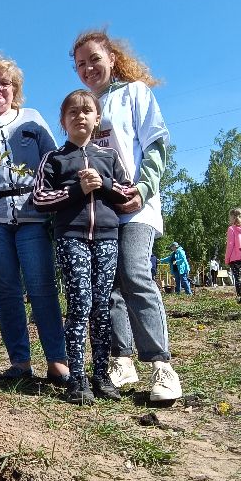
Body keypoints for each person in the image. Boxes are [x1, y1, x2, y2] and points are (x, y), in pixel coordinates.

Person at [71, 30, 182, 403]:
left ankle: (162, 366)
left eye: (94, 59)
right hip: (100, 213)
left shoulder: (133, 93)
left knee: (134, 272)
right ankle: (122, 358)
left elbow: (155, 143)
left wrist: (144, 188)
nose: (88, 68)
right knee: (109, 283)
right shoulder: (85, 107)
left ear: (112, 59)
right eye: (81, 64)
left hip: (136, 205)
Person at [0, 54, 69, 385]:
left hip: (32, 214)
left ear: (15, 90)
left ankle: (57, 360)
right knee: (6, 290)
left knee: (41, 286)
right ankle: (20, 363)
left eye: (5, 83)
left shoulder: (32, 120)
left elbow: (54, 162)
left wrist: (59, 203)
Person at [33, 89, 132, 403]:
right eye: (72, 112)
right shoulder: (55, 159)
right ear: (63, 121)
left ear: (97, 118)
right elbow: (39, 198)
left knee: (102, 309)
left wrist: (103, 184)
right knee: (80, 306)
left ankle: (101, 376)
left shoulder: (109, 157)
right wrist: (76, 190)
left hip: (106, 238)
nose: (80, 116)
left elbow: (128, 194)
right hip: (71, 238)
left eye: (87, 110)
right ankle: (77, 378)